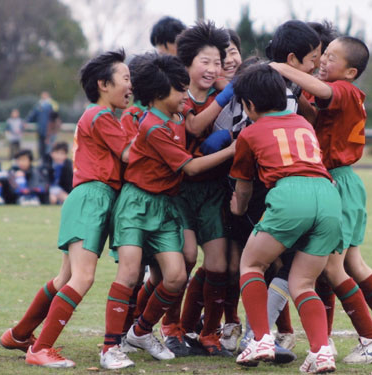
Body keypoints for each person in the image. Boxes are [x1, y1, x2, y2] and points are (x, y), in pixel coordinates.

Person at [271, 35, 372, 363]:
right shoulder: (333, 95)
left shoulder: (344, 91)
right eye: (323, 55)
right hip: (339, 181)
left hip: (337, 182)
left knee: (332, 267)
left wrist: (281, 68)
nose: (323, 61)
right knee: (350, 264)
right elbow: (314, 110)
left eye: (331, 57)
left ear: (350, 72)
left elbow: (323, 92)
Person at [0, 49, 135, 370]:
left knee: (66, 277)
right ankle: (41, 347)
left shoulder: (100, 115)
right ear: (104, 84)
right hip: (93, 197)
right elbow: (130, 154)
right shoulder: (100, 116)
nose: (131, 86)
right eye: (126, 79)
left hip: (89, 197)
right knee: (83, 277)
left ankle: (19, 336)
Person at [108, 53, 236, 360]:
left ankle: (139, 332)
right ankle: (110, 346)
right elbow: (190, 168)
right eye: (179, 90)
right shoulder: (153, 126)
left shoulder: (177, 117)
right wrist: (232, 147)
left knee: (177, 275)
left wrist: (226, 83)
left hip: (165, 205)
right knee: (129, 274)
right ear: (157, 96)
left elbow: (194, 119)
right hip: (137, 204)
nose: (185, 95)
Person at [229, 63, 341, 373]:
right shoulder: (303, 124)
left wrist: (238, 208)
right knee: (303, 283)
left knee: (251, 264)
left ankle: (261, 338)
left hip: (291, 194)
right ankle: (321, 352)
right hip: (329, 196)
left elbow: (244, 187)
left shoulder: (249, 133)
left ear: (249, 104)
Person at [174, 20, 235, 356]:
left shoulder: (222, 93)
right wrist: (228, 93)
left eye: (217, 62)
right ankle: (171, 328)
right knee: (182, 260)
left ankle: (208, 333)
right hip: (180, 191)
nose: (212, 69)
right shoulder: (177, 94)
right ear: (188, 63)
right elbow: (194, 124)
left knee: (219, 265)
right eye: (205, 62)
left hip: (212, 190)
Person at [27, 91, 53, 161]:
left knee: (47, 146)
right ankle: (41, 159)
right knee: (40, 145)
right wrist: (27, 121)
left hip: (48, 130)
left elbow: (53, 117)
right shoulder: (39, 105)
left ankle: (46, 159)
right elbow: (33, 114)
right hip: (40, 129)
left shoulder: (50, 106)